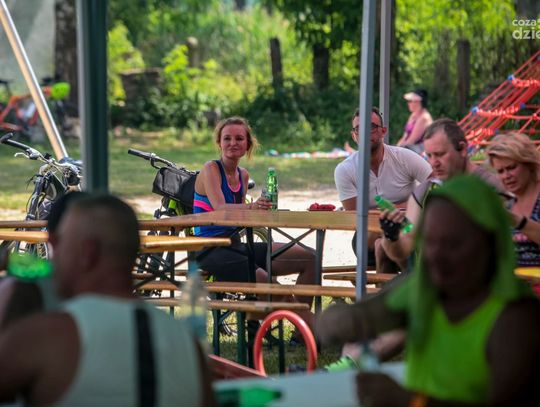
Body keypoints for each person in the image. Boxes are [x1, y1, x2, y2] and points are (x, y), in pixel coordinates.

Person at [318, 175, 540, 405]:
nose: (436, 255)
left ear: (487, 243)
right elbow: (368, 315)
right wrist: (340, 320)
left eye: (453, 244)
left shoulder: (516, 319)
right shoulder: (425, 287)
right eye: (430, 241)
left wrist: (410, 401)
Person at [0, 194, 213, 406]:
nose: (53, 249)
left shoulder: (49, 335)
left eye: (59, 241)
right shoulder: (189, 346)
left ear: (88, 252)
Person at [194, 116, 316, 308]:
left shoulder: (243, 175)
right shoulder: (211, 168)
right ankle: (307, 323)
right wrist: (252, 207)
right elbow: (220, 208)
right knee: (274, 290)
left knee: (310, 258)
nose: (233, 143)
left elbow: (239, 217)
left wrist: (262, 210)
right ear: (219, 143)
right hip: (210, 250)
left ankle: (296, 325)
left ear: (248, 145)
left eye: (239, 138)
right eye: (227, 138)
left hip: (237, 246)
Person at [380, 118, 504, 268]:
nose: (434, 163)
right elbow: (404, 247)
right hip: (430, 279)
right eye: (429, 156)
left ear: (463, 149)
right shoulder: (424, 192)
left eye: (440, 154)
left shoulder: (491, 187)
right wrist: (391, 237)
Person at [334, 107, 432, 272]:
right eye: (359, 129)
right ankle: (410, 280)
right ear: (354, 135)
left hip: (407, 229)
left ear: (383, 131)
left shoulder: (404, 157)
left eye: (371, 127)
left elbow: (435, 184)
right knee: (379, 242)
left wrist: (392, 211)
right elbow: (355, 217)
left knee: (382, 246)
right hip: (367, 237)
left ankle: (389, 287)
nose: (365, 133)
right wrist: (406, 206)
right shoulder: (345, 170)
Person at [0, 191, 89, 330]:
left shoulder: (45, 276)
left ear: (53, 240)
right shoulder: (111, 280)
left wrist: (8, 260)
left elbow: (45, 268)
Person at [487, 133, 540, 267]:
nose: (506, 176)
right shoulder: (508, 205)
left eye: (511, 168)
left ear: (529, 164)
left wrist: (516, 221)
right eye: (500, 171)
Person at [396, 88, 433, 154]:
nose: (408, 104)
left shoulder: (424, 117)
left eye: (410, 101)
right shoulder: (413, 115)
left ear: (418, 102)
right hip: (411, 148)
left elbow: (412, 140)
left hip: (421, 151)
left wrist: (398, 151)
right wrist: (396, 148)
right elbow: (405, 137)